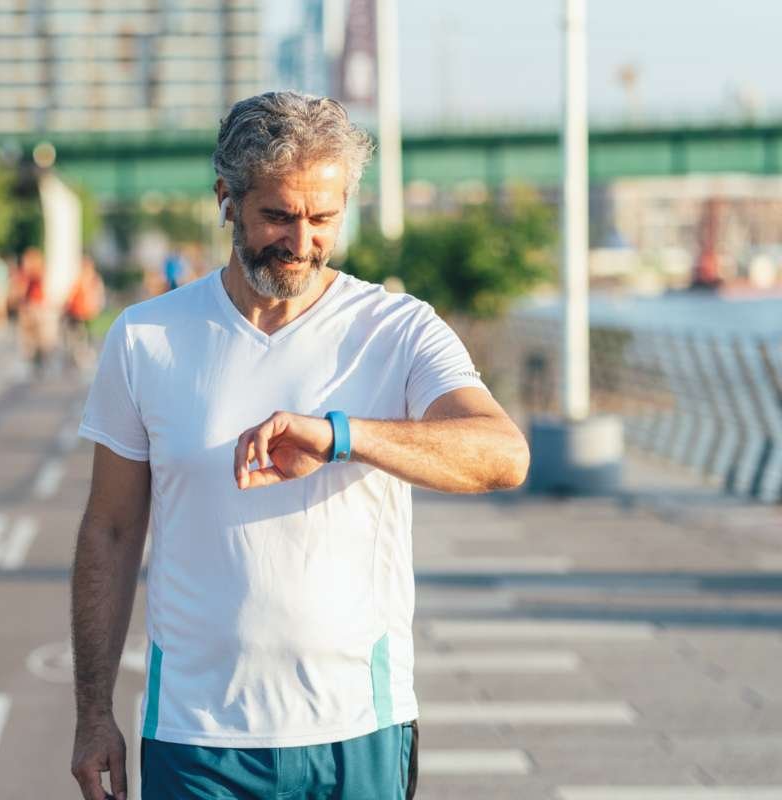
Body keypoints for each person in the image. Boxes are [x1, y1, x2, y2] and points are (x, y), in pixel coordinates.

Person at [69, 92, 531, 800]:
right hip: (197, 738)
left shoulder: (397, 328)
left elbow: (504, 455)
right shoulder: (146, 338)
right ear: (227, 198)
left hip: (358, 730)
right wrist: (93, 713)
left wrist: (343, 436)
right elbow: (110, 529)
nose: (302, 241)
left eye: (323, 218)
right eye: (278, 216)